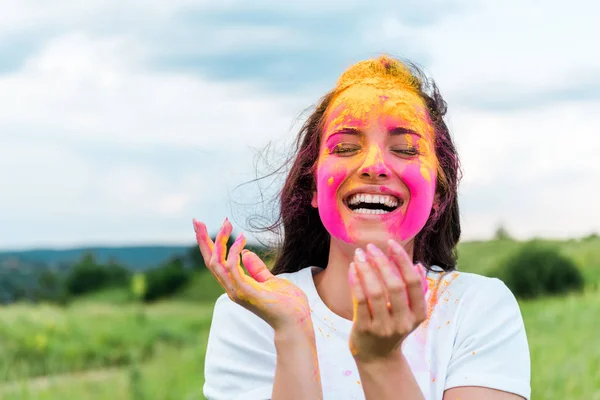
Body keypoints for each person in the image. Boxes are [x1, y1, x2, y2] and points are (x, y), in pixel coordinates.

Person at [193, 55, 531, 400]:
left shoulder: (476, 308)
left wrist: (381, 361)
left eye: (405, 149)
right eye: (345, 147)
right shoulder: (252, 313)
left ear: (438, 192)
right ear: (312, 186)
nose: (374, 166)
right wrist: (293, 336)